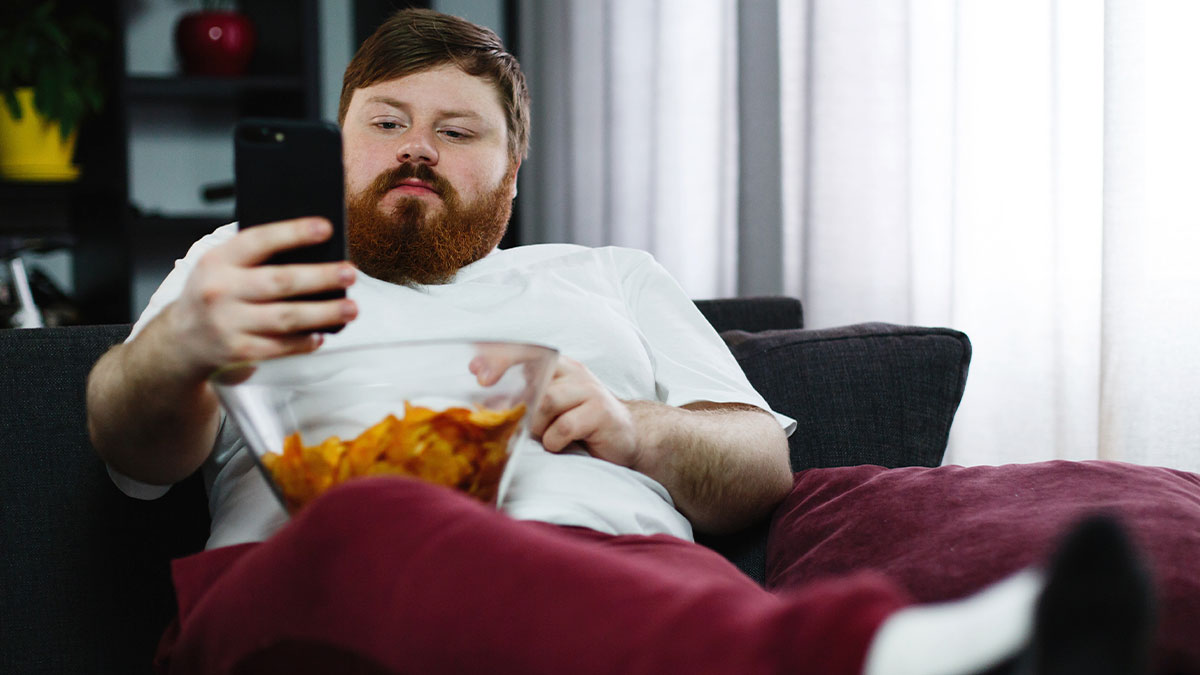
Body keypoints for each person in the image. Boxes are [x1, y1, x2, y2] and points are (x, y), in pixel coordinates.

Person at [86, 9, 1154, 675]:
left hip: (638, 583)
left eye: (457, 131)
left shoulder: (608, 274)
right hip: (312, 590)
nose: (417, 149)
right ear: (339, 141)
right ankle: (874, 654)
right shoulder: (240, 260)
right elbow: (131, 455)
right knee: (377, 517)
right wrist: (180, 347)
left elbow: (760, 466)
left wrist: (636, 430)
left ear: (512, 174)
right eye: (386, 122)